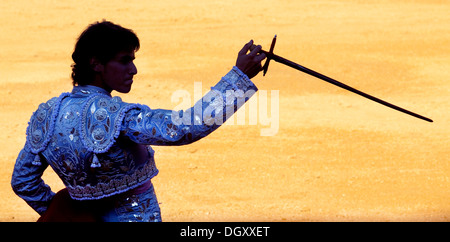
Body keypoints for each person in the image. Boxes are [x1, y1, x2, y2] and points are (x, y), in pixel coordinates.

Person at [11, 20, 266, 222]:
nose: (133, 70)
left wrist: (73, 215)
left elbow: (23, 182)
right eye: (124, 61)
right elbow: (183, 128)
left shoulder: (47, 115)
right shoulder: (117, 116)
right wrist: (238, 79)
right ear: (96, 63)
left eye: (132, 60)